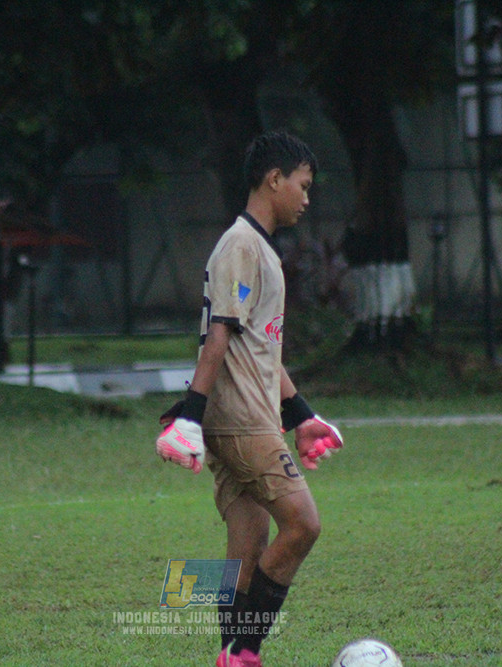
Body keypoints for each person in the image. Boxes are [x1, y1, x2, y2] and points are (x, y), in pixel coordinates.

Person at [156, 130, 345, 667]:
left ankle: (230, 654)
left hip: (245, 417)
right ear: (274, 179)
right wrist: (189, 415)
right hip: (242, 422)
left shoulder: (256, 247)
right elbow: (218, 335)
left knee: (245, 546)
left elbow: (257, 348)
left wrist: (302, 415)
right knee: (303, 524)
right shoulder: (242, 245)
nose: (307, 198)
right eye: (303, 186)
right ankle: (244, 652)